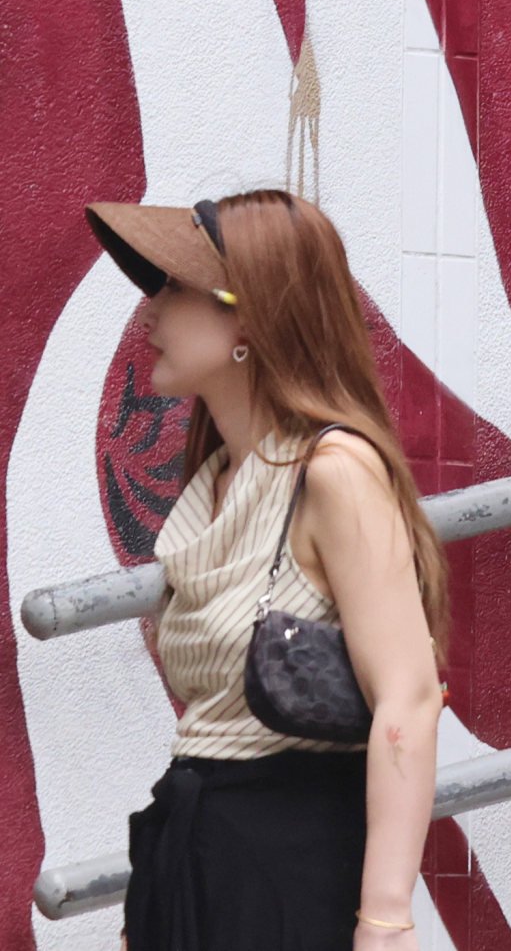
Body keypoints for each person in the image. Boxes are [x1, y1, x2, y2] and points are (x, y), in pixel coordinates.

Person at [89, 191, 450, 951]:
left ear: (246, 317)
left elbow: (409, 698)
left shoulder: (333, 471)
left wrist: (385, 918)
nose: (149, 314)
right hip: (195, 855)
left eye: (174, 287)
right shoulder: (215, 488)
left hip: (286, 871)